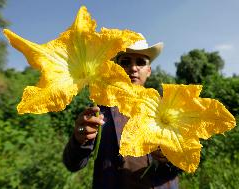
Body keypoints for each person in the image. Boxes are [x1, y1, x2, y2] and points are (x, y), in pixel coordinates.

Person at [63, 34, 180, 189]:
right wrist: (79, 139)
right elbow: (73, 164)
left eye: (140, 62)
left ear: (149, 70)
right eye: (125, 62)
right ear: (116, 68)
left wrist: (169, 158)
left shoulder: (168, 108)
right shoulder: (99, 109)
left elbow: (184, 163)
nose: (133, 68)